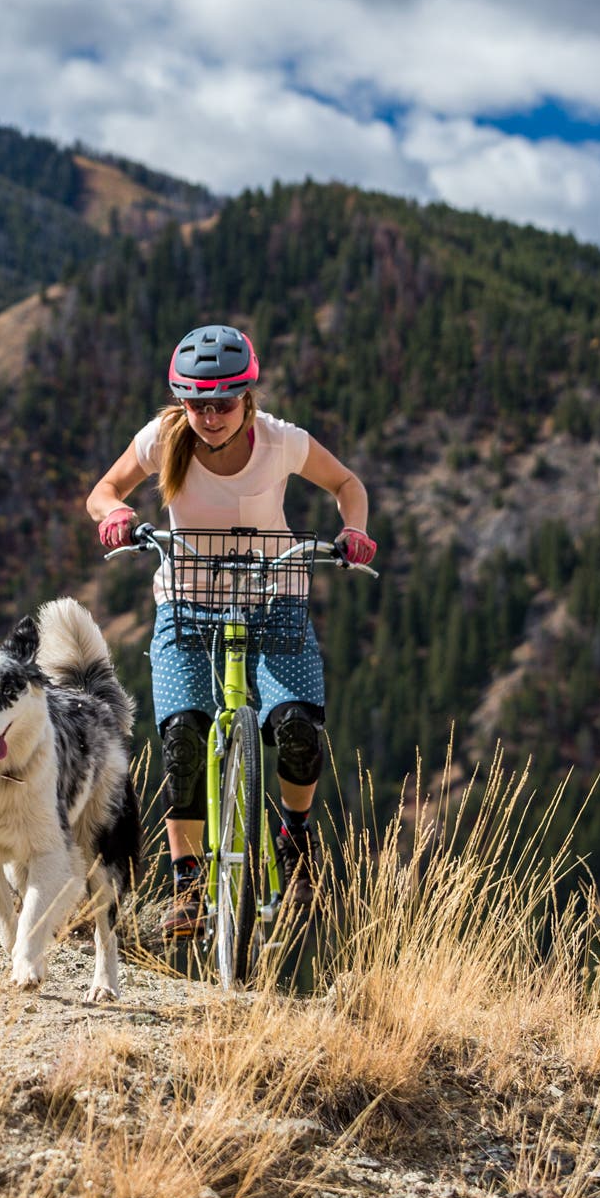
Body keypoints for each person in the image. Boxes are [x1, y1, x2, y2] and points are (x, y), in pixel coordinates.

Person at [84, 324, 375, 936]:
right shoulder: (162, 440)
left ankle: (295, 843)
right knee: (184, 738)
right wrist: (116, 512)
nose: (210, 417)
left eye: (223, 403)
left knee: (298, 729)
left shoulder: (281, 442)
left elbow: (347, 484)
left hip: (274, 597)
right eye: (197, 404)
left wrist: (353, 529)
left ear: (248, 397)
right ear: (181, 401)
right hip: (186, 602)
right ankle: (188, 881)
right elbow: (103, 491)